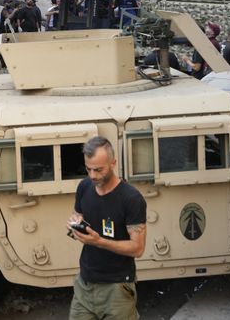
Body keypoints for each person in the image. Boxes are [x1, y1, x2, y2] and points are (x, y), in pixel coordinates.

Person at [67, 136, 146, 320]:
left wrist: (99, 241)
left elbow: (138, 248)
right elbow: (79, 215)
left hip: (117, 289)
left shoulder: (131, 199)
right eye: (88, 169)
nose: (93, 175)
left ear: (113, 163)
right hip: (85, 284)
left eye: (98, 170)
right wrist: (75, 224)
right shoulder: (85, 187)